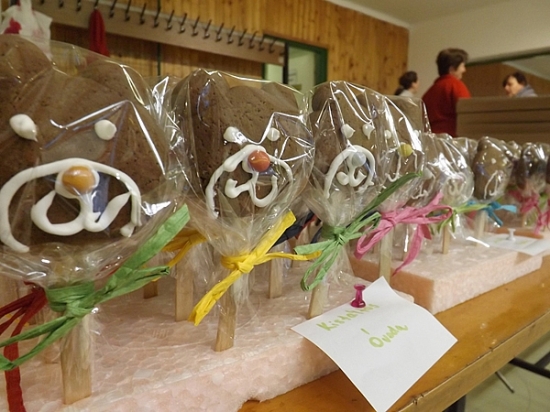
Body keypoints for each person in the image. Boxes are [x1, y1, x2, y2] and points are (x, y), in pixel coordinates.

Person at [422, 48, 471, 137]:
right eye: (462, 66)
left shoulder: (429, 92)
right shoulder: (456, 86)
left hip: (430, 138)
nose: (464, 70)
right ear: (452, 69)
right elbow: (467, 115)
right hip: (452, 139)